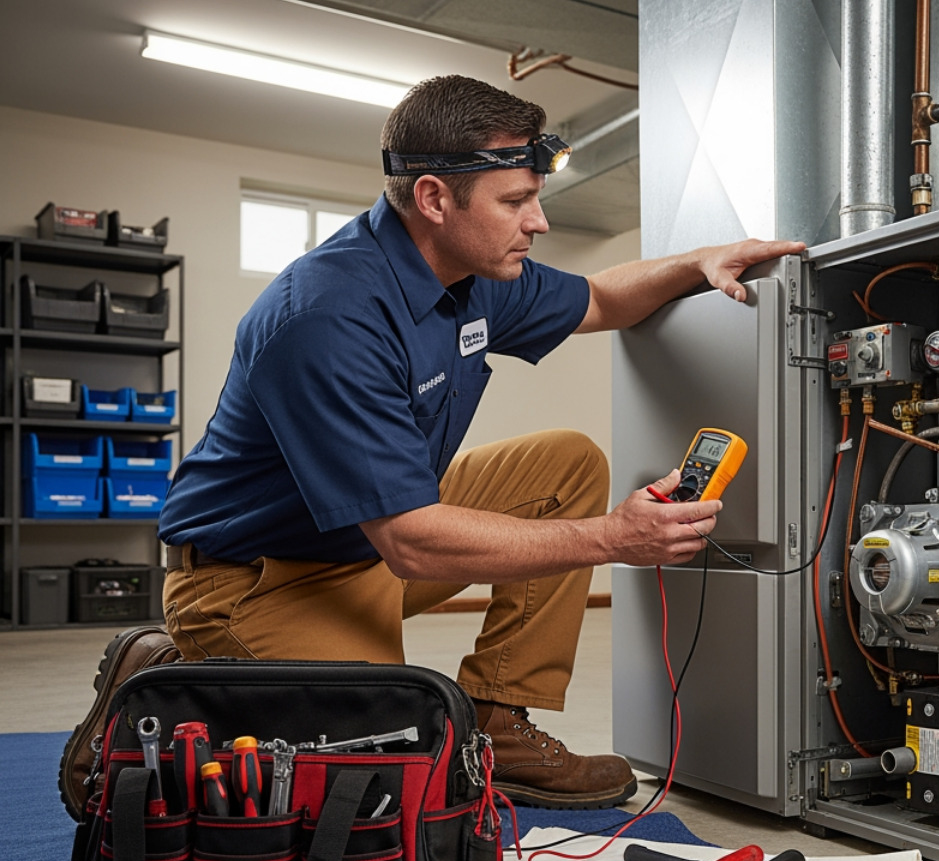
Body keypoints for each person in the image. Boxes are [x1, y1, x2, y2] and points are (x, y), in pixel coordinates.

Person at [153, 75, 805, 809]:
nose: (539, 222)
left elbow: (599, 297)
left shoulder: (473, 271)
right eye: (516, 201)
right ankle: (174, 677)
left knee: (564, 464)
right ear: (434, 198)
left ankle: (499, 719)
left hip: (369, 546)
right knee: (399, 781)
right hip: (254, 582)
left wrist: (698, 263)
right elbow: (414, 543)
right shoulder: (326, 316)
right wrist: (613, 539)